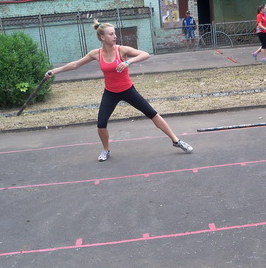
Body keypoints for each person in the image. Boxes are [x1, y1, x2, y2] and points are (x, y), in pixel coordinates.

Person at [46, 20, 193, 162]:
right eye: (111, 34)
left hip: (128, 90)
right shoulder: (96, 54)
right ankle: (106, 150)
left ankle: (176, 140)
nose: (115, 36)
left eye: (115, 33)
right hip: (110, 93)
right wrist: (54, 71)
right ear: (102, 37)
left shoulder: (121, 50)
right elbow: (75, 65)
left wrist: (128, 61)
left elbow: (145, 54)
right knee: (101, 124)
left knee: (152, 114)